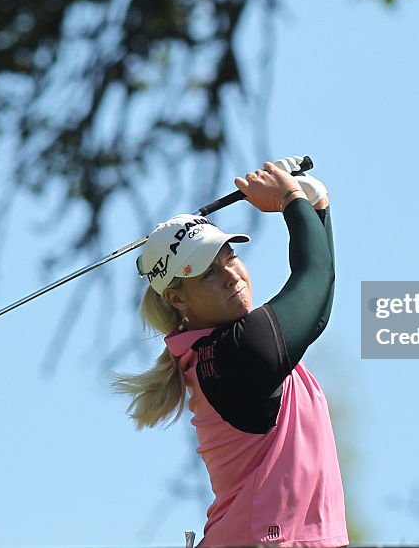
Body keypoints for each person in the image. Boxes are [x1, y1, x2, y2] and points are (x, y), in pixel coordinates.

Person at [113, 157, 348, 547]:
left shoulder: (219, 353)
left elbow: (318, 303)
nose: (230, 276)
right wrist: (291, 199)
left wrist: (316, 206)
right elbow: (315, 278)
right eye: (207, 273)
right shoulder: (238, 353)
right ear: (176, 297)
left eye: (230, 257)